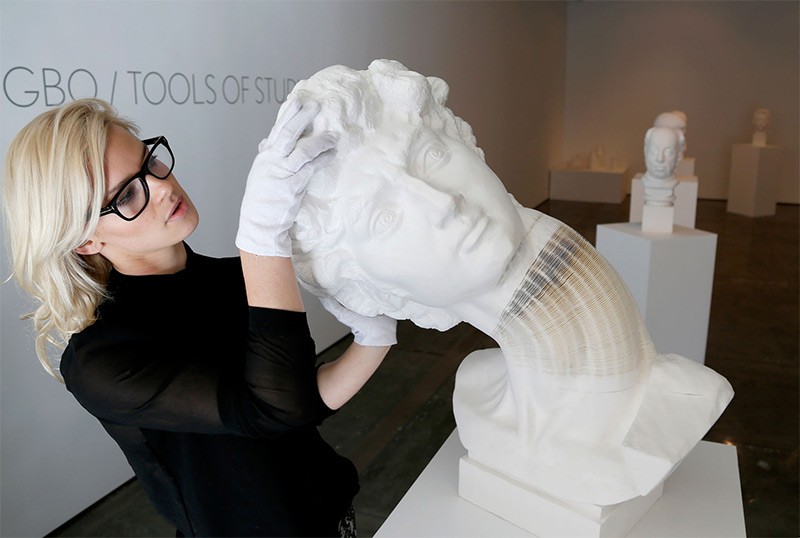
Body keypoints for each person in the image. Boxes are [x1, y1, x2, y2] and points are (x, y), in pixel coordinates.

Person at [286, 60, 733, 506]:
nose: (441, 203)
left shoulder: (677, 401)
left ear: (466, 144)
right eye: (384, 219)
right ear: (376, 288)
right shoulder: (477, 393)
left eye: (431, 156)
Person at [2, 97, 396, 537]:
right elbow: (273, 407)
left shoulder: (235, 276)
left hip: (330, 513)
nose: (163, 187)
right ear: (85, 241)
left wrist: (375, 336)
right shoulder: (100, 360)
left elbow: (299, 400)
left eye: (150, 162)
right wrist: (263, 236)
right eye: (127, 195)